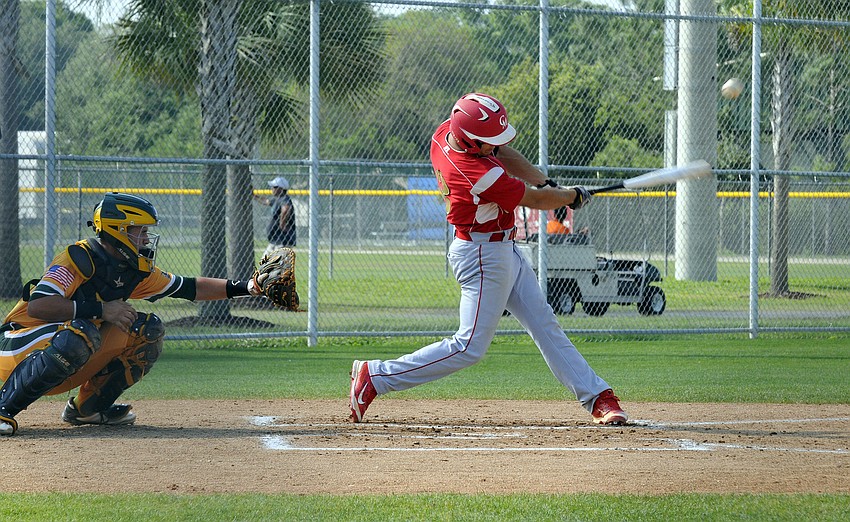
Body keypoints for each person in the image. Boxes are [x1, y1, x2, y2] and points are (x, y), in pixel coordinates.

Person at [349, 92, 627, 426]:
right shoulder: (475, 173)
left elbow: (503, 153)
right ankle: (376, 376)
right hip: (482, 256)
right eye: (487, 142)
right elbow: (536, 201)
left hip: (502, 247)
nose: (494, 146)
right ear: (470, 142)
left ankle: (596, 396)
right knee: (468, 347)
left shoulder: (445, 134)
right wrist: (570, 196)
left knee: (544, 322)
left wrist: (544, 180)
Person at [0, 192, 265, 436]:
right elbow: (39, 305)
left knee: (147, 330)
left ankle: (88, 408)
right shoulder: (78, 258)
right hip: (16, 343)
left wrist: (249, 287)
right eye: (141, 231)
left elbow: (188, 287)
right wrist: (103, 309)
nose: (147, 239)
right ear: (119, 231)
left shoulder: (130, 269)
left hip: (62, 345)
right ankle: (3, 407)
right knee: (81, 331)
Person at [254, 176, 296, 258]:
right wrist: (254, 195)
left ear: (281, 189)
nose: (272, 189)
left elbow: (286, 208)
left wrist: (282, 223)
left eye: (274, 187)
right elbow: (265, 201)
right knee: (265, 264)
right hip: (275, 240)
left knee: (276, 268)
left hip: (282, 241)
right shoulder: (277, 199)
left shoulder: (284, 199)